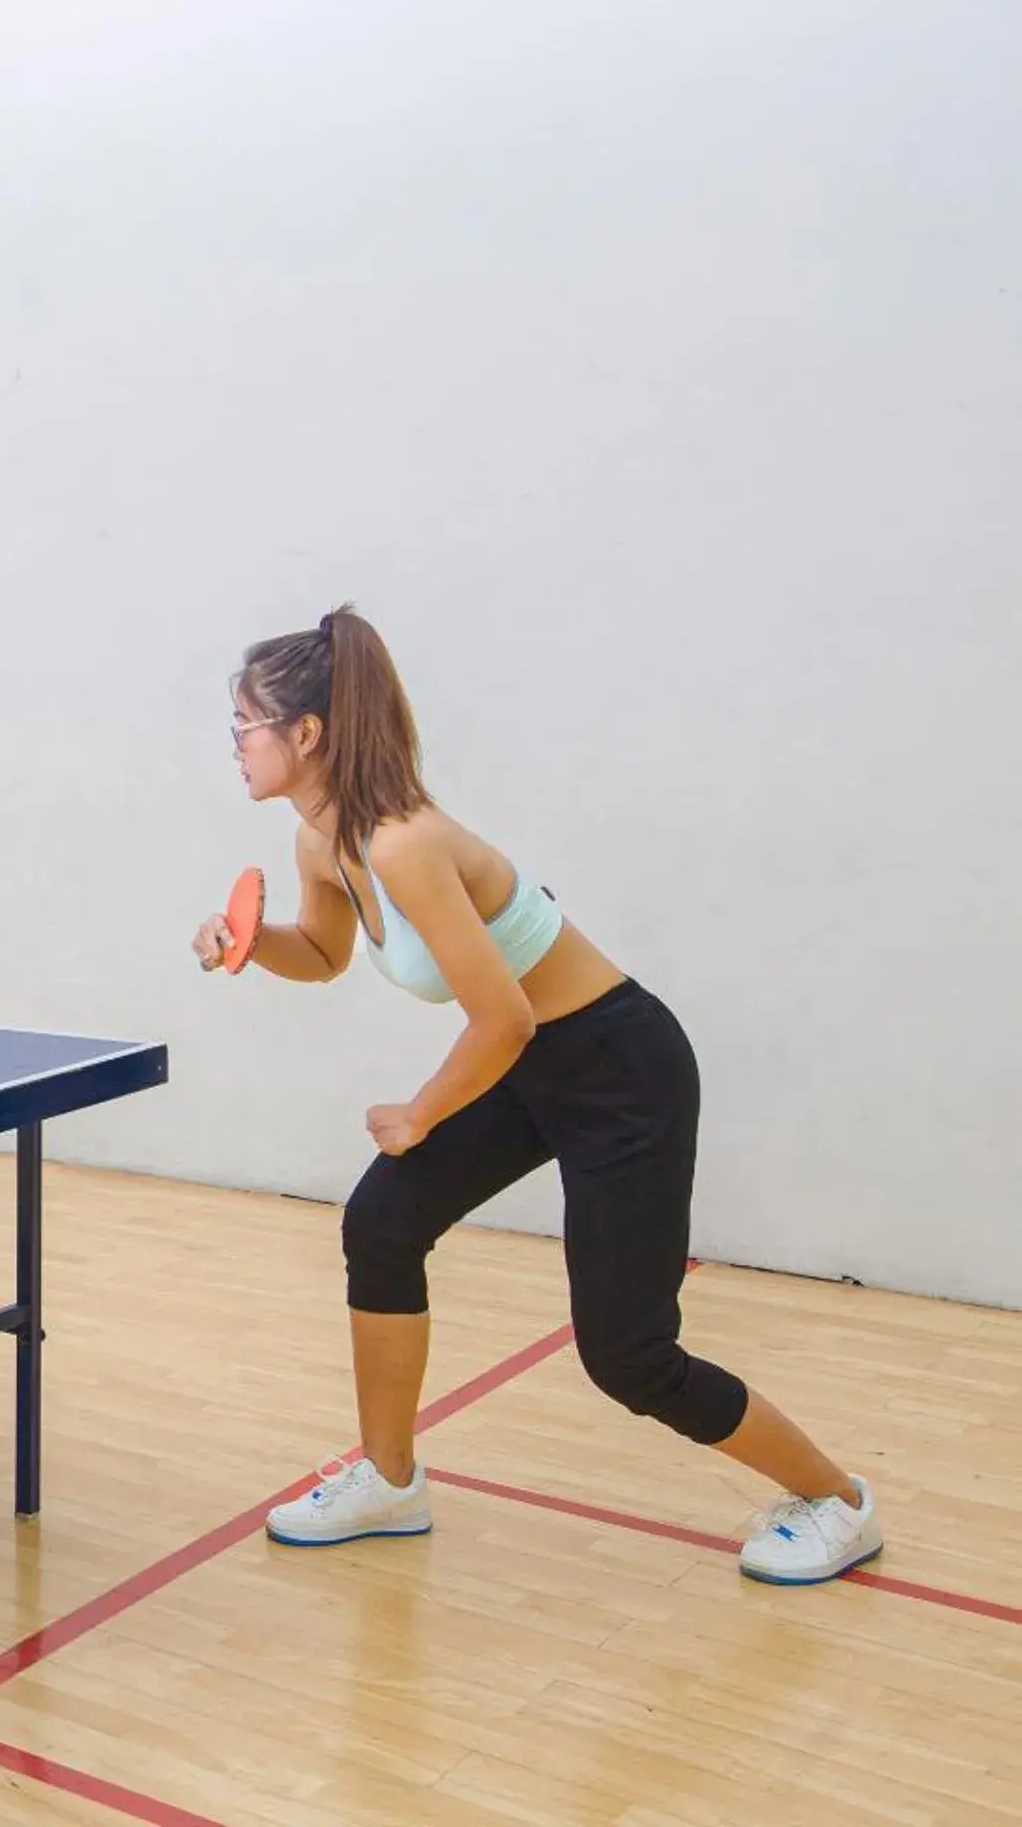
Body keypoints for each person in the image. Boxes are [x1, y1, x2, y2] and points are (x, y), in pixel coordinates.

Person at [197, 607, 880, 1586]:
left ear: (306, 734)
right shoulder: (325, 844)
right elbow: (324, 953)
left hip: (618, 1068)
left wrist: (421, 1111)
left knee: (628, 1356)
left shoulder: (403, 844)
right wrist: (248, 944)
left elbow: (507, 1019)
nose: (234, 747)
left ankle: (838, 1501)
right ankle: (390, 1482)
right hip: (531, 1062)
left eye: (243, 726)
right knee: (382, 1221)